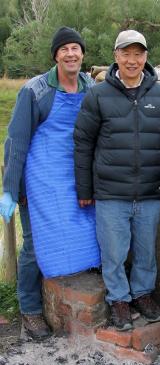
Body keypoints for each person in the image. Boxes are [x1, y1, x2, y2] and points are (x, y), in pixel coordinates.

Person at [73, 30, 160, 331]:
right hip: (110, 192)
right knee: (114, 252)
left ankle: (143, 294)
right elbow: (83, 143)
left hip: (149, 192)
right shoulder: (97, 95)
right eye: (126, 53)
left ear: (146, 57)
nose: (132, 60)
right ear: (116, 55)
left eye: (138, 53)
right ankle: (119, 299)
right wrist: (85, 188)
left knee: (146, 251)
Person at [0, 27, 99, 339]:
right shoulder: (36, 90)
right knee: (34, 243)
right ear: (55, 55)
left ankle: (86, 286)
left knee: (88, 229)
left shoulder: (91, 86)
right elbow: (16, 141)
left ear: (83, 54)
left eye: (76, 48)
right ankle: (30, 309)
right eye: (64, 49)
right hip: (42, 177)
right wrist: (11, 188)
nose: (71, 54)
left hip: (76, 175)